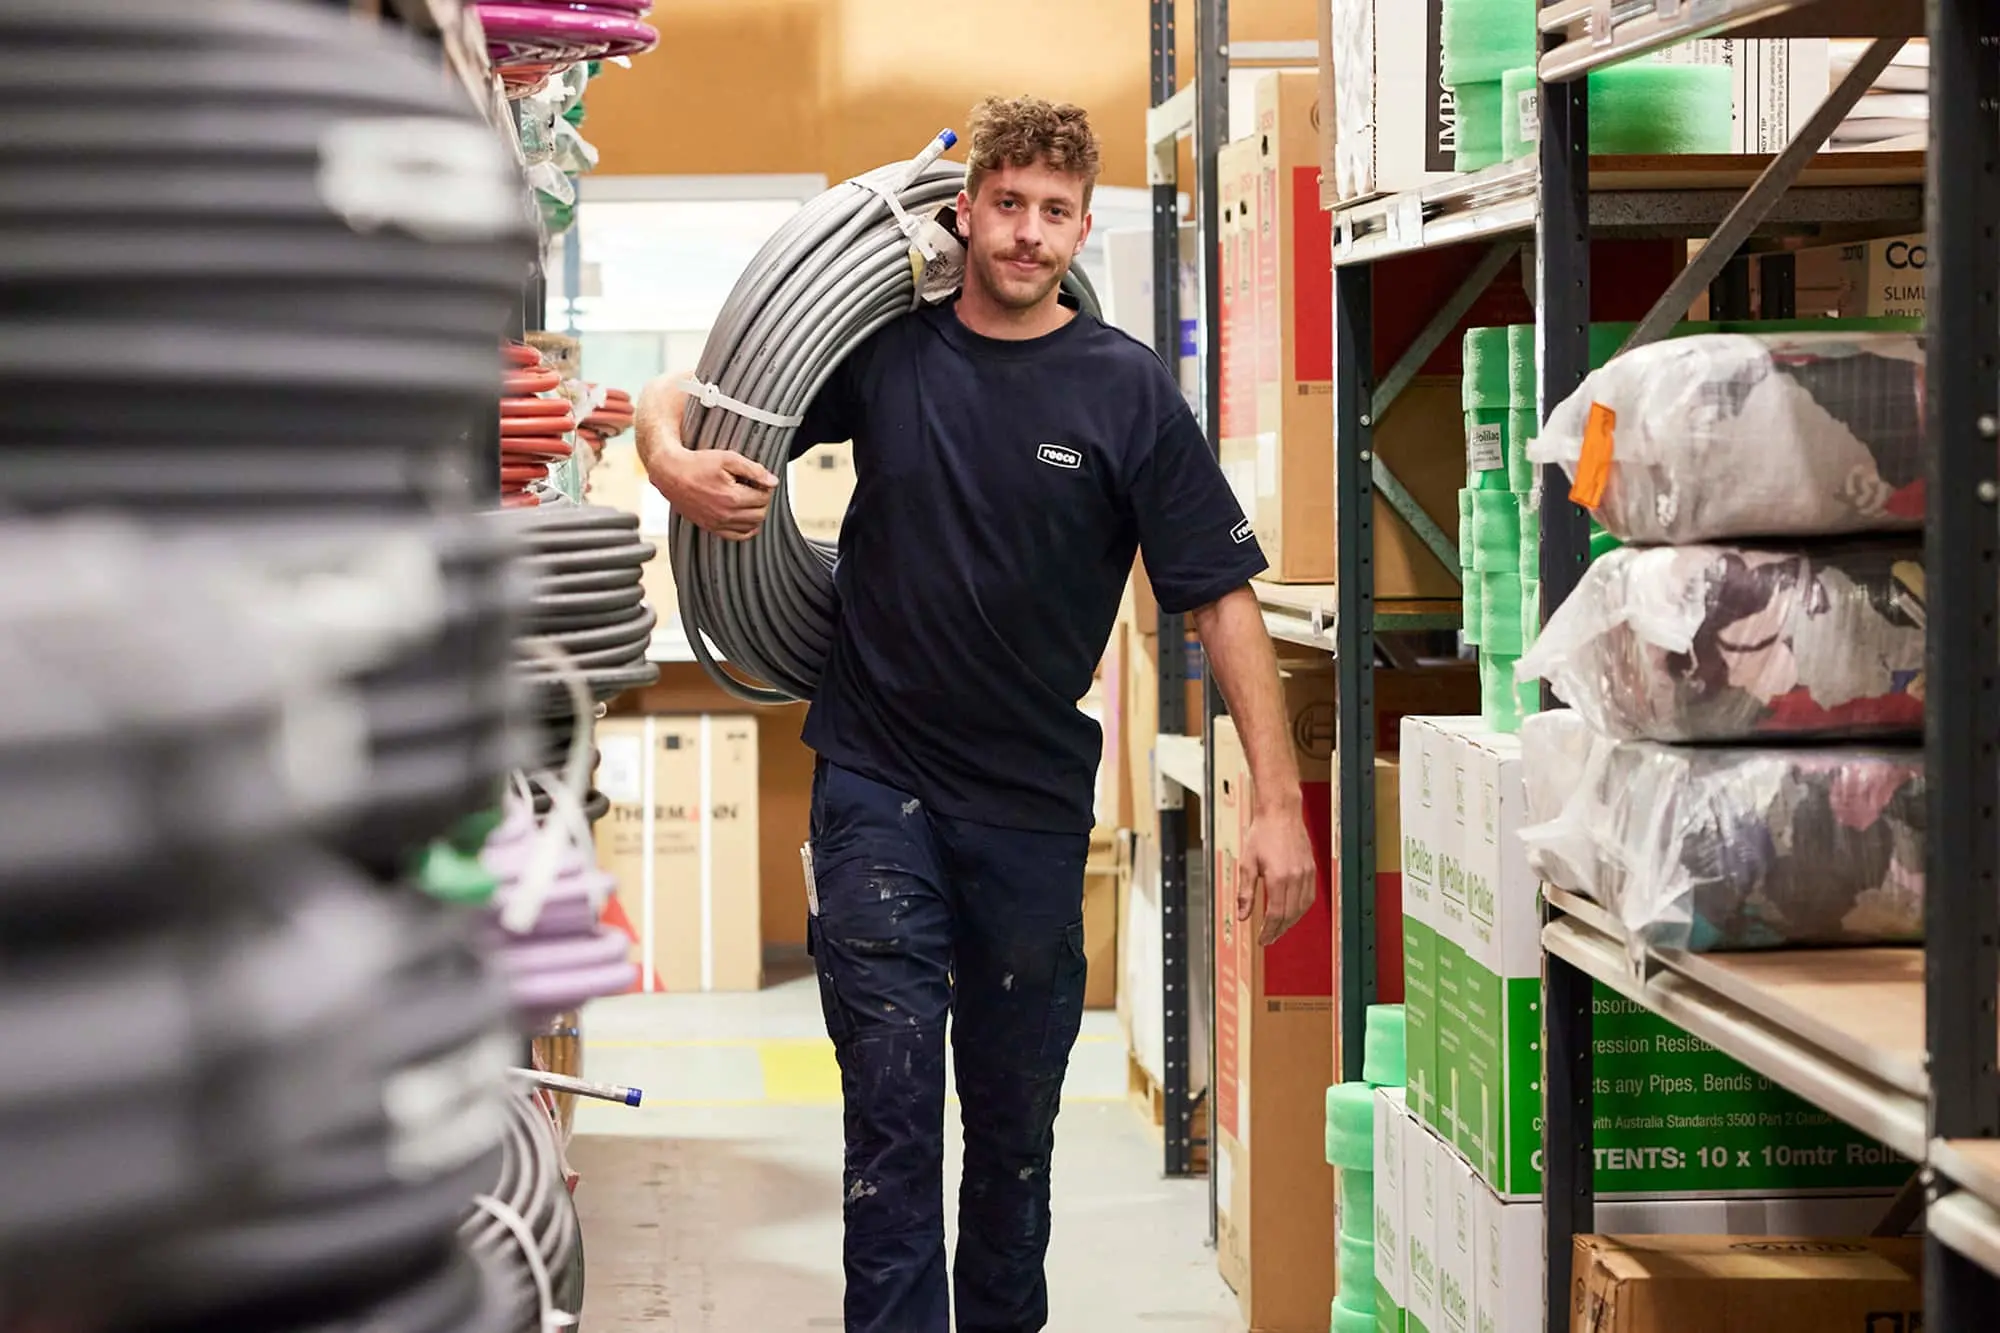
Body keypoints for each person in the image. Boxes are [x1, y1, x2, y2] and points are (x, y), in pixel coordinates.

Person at [635, 94, 1319, 1333]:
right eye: (1007, 205)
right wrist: (661, 456)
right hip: (874, 783)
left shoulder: (1122, 392)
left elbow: (1219, 599)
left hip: (1025, 807)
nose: (1027, 233)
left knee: (1011, 1148)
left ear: (1077, 226)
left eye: (1054, 212)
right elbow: (711, 389)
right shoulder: (891, 353)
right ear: (965, 211)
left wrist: (1276, 802)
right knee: (888, 1130)